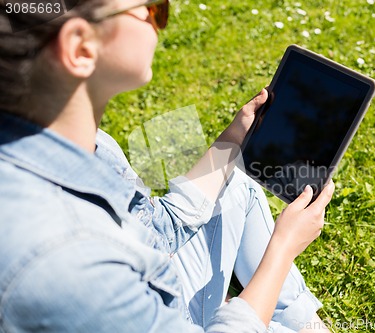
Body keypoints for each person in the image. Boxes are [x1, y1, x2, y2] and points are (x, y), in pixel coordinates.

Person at [0, 0, 335, 332]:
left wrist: (234, 138)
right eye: (153, 10)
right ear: (81, 48)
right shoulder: (71, 262)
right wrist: (283, 248)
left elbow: (154, 229)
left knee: (237, 184)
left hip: (157, 279)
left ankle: (304, 321)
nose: (160, 22)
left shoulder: (86, 141)